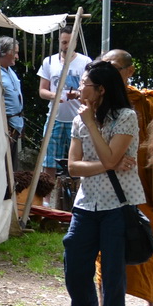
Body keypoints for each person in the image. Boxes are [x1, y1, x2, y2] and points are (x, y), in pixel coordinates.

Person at [63, 61, 144, 306]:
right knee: (73, 264)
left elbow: (110, 156)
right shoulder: (79, 120)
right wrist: (107, 164)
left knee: (112, 275)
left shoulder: (126, 117)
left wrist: (94, 130)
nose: (79, 88)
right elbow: (74, 167)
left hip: (118, 206)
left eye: (85, 83)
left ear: (100, 89)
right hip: (86, 205)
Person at [102, 50, 153, 306]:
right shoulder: (97, 100)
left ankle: (150, 299)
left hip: (140, 185)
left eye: (114, 67)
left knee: (145, 237)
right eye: (103, 67)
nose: (108, 73)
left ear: (130, 71)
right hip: (105, 184)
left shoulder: (146, 101)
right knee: (104, 246)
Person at [38, 27, 92, 207]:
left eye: (69, 42)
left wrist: (77, 94)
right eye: (63, 42)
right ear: (59, 42)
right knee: (49, 160)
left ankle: (80, 199)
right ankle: (46, 200)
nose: (66, 45)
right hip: (54, 117)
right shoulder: (49, 61)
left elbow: (91, 90)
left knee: (79, 160)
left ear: (75, 42)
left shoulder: (85, 62)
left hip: (78, 119)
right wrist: (55, 95)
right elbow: (42, 90)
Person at [0, 36, 24, 147]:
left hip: (15, 125)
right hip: (4, 126)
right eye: (15, 53)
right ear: (4, 52)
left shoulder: (10, 71)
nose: (17, 57)